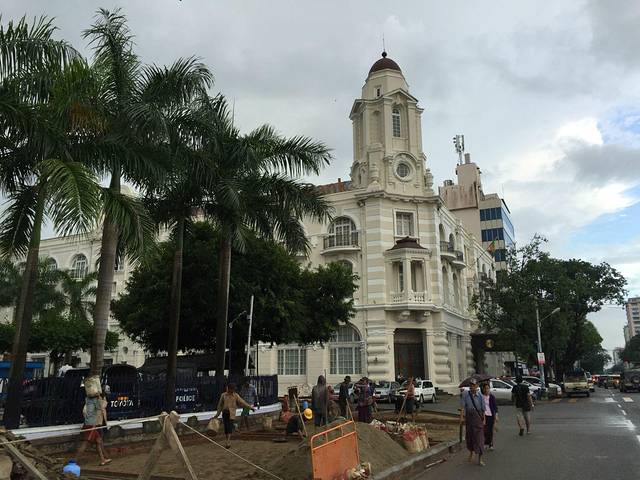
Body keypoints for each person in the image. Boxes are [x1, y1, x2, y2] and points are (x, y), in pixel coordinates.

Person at [214, 383, 255, 448]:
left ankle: (228, 441)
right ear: (228, 388)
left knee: (229, 427)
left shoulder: (236, 395)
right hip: (225, 413)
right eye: (231, 389)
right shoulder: (223, 395)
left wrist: (250, 407)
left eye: (233, 389)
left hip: (232, 413)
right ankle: (228, 437)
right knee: (226, 427)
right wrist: (217, 414)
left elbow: (243, 402)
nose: (232, 390)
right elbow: (220, 405)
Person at [77, 392, 111, 466]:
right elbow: (101, 407)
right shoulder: (94, 401)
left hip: (92, 423)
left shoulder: (88, 400)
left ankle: (103, 459)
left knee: (98, 441)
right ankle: (74, 461)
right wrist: (100, 398)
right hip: (92, 424)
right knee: (85, 443)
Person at [460, 378, 486, 466]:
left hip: (478, 418)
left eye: (474, 385)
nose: (472, 387)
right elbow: (463, 407)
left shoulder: (481, 396)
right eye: (471, 385)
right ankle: (471, 452)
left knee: (479, 439)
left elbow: (483, 410)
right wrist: (461, 418)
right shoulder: (465, 395)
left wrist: (484, 420)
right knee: (470, 437)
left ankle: (480, 459)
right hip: (469, 418)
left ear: (477, 386)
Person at [481, 382, 498, 449]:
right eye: (485, 388)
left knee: (490, 430)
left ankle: (491, 444)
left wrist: (496, 416)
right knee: (485, 430)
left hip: (490, 415)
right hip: (483, 415)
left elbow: (495, 407)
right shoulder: (481, 397)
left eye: (488, 388)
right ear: (483, 389)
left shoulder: (492, 397)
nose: (486, 390)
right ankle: (485, 443)